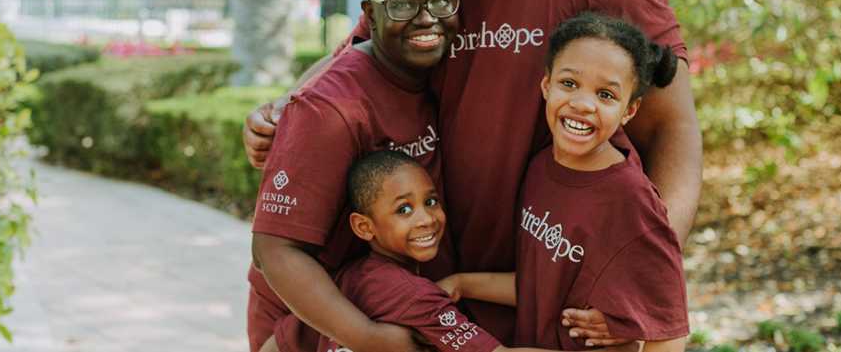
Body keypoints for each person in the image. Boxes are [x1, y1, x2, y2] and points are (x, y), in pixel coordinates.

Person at [245, 0, 703, 346]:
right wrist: (283, 107)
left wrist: (642, 273)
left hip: (550, 295)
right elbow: (354, 54)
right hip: (437, 299)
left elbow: (672, 129)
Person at [248, 0, 463, 352]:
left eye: (440, 3)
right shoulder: (332, 108)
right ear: (370, 16)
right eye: (402, 6)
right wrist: (367, 338)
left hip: (374, 301)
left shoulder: (427, 77)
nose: (426, 19)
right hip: (306, 321)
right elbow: (273, 251)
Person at [438, 13, 690, 351]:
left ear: (629, 111)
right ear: (546, 85)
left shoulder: (629, 199)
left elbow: (669, 328)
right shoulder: (542, 168)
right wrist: (462, 284)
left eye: (605, 95)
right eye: (569, 84)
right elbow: (543, 288)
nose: (583, 104)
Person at [265, 150, 641, 352]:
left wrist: (462, 282)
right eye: (404, 210)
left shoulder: (344, 282)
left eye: (431, 201)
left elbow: (280, 342)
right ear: (364, 227)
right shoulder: (412, 296)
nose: (427, 219)